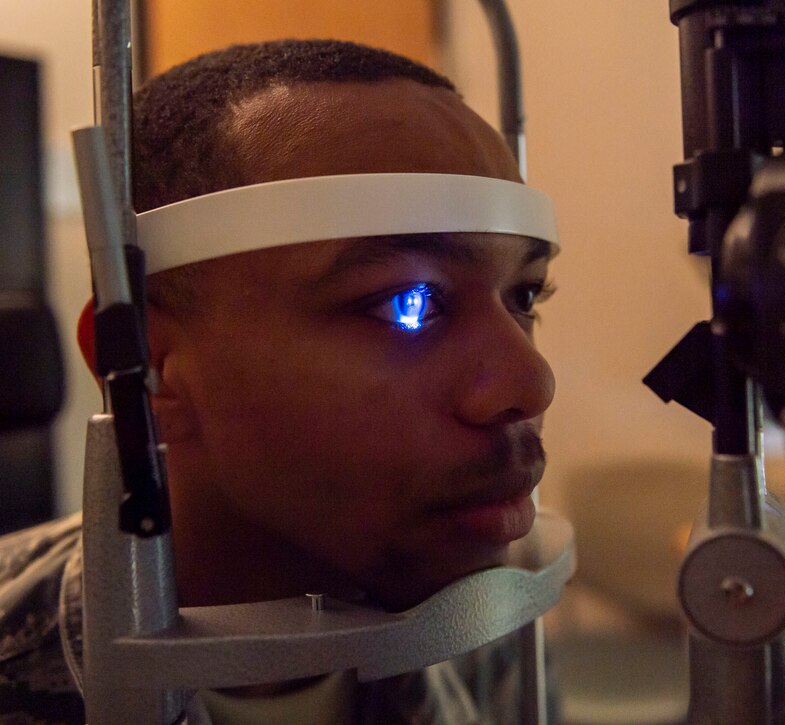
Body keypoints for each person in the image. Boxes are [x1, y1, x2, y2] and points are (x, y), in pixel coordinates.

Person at [0, 39, 558, 723]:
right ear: (149, 364)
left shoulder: (489, 630)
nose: (530, 383)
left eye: (525, 296)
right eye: (407, 302)